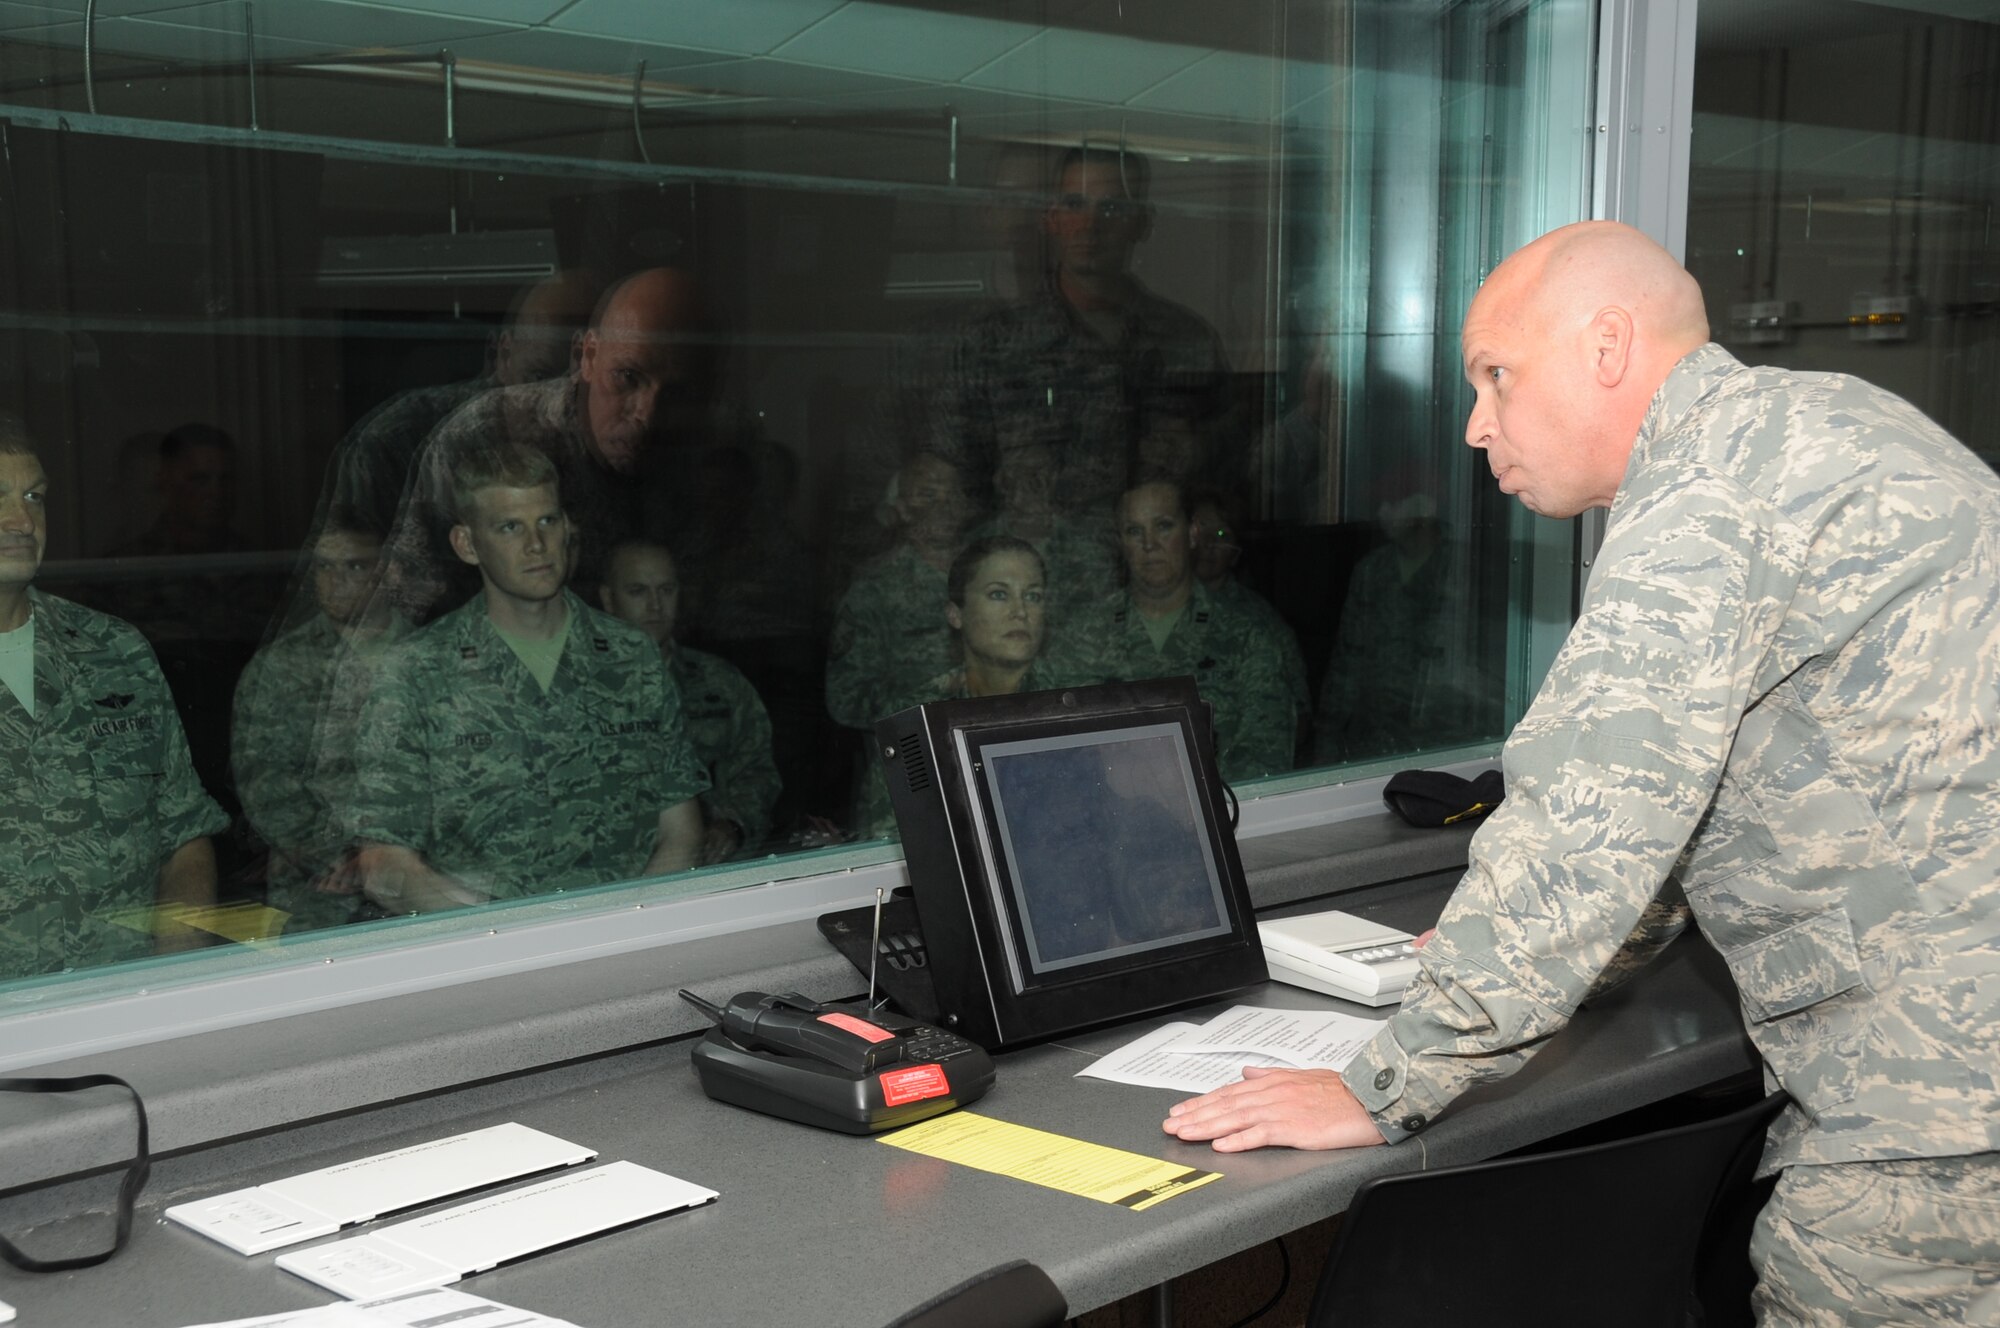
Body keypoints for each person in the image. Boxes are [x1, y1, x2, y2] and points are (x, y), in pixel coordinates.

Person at [1163, 221, 2000, 1325]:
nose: (1476, 424)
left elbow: (1589, 820)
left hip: (1933, 1100)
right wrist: (1557, 956)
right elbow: (1690, 794)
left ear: (1607, 347)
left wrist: (1385, 1082)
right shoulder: (1835, 424)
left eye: (1495, 376)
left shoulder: (1706, 496)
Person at [345, 445, 707, 912]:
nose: (537, 544)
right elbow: (385, 862)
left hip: (626, 934)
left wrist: (630, 922)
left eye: (548, 521)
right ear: (467, 544)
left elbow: (680, 828)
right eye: (510, 527)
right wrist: (496, 935)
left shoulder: (630, 656)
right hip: (486, 942)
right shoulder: (418, 671)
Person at [0, 416, 228, 980]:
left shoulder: (112, 651)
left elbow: (183, 835)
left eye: (33, 496)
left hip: (128, 1007)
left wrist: (174, 981)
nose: (22, 521)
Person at [381, 266, 712, 623]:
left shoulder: (711, 459)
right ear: (587, 356)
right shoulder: (485, 436)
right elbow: (405, 609)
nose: (646, 414)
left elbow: (729, 617)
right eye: (627, 377)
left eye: (677, 393)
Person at [931, 145, 1236, 521]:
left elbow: (1230, 477)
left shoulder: (1187, 341)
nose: (1090, 225)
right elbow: (953, 483)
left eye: (1112, 207)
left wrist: (1196, 455)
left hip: (1154, 553)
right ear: (1051, 217)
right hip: (1032, 556)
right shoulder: (991, 345)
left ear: (1142, 222)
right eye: (1074, 204)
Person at [231, 510, 411, 931]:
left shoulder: (432, 652)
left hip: (427, 883)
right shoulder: (280, 667)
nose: (335, 580)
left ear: (389, 571)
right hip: (324, 896)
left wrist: (407, 860)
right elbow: (267, 785)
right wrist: (349, 859)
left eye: (354, 566)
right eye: (324, 567)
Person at [1054, 476, 1295, 784]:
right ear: (1120, 542)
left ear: (1193, 533)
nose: (1149, 544)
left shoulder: (1247, 635)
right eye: (1134, 531)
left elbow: (1267, 756)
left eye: (1163, 526)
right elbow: (1052, 746)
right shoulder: (1082, 635)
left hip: (1218, 807)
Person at [852, 535, 1056, 839]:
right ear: (955, 614)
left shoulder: (1076, 701)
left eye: (1033, 596)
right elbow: (889, 835)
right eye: (999, 594)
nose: (1020, 612)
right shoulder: (918, 716)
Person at [598, 537, 780, 864]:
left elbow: (757, 770)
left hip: (711, 868)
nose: (655, 605)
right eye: (638, 591)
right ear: (609, 599)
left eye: (666, 590)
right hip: (616, 873)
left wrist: (732, 825)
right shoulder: (583, 687)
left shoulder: (719, 682)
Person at [825, 452, 975, 733]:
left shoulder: (993, 571)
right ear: (902, 508)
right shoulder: (875, 590)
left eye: (953, 494)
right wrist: (935, 697)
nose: (944, 506)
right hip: (917, 748)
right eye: (927, 494)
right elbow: (846, 699)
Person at [1186, 486, 1308, 753]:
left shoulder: (1260, 622)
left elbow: (1297, 720)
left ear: (1236, 553)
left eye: (1222, 535)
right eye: (1200, 530)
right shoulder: (1154, 612)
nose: (1209, 543)